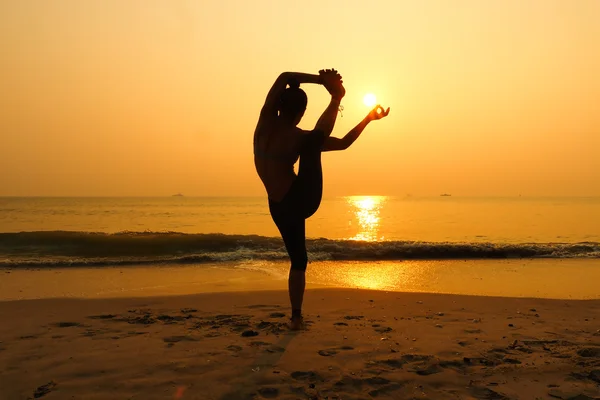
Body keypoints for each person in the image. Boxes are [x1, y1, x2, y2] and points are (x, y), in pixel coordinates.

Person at [253, 69, 390, 330]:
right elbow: (343, 143)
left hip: (277, 205)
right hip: (301, 200)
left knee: (299, 261)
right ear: (302, 112)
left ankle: (296, 317)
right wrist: (342, 99)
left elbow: (283, 77)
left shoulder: (264, 123)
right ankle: (336, 99)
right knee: (300, 260)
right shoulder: (300, 139)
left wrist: (320, 81)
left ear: (278, 105)